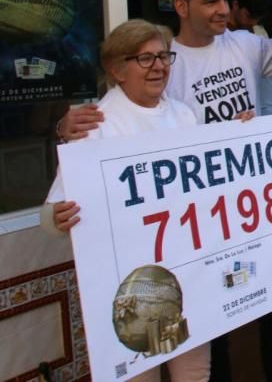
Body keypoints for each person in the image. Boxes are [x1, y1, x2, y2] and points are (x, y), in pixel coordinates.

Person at [59, 0, 272, 382]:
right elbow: (123, 119)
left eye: (161, 58)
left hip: (222, 226)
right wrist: (63, 135)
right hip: (140, 276)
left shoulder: (239, 52)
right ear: (181, 6)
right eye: (212, 0)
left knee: (205, 359)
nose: (224, 9)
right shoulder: (105, 119)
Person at [42, 19, 211, 382]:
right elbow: (52, 212)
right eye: (145, 59)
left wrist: (240, 136)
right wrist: (58, 217)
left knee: (194, 374)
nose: (159, 67)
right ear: (118, 69)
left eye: (164, 56)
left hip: (187, 275)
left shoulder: (183, 114)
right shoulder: (96, 124)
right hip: (129, 290)